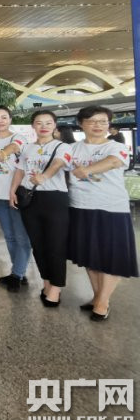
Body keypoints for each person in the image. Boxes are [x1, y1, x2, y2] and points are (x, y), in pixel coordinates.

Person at [67, 106, 138, 321]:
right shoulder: (72, 148)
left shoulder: (116, 147)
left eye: (103, 121)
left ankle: (103, 301)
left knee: (111, 256)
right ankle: (97, 296)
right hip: (80, 206)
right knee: (89, 256)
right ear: (81, 124)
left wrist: (87, 170)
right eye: (92, 121)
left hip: (111, 207)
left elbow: (114, 161)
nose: (98, 125)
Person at [10, 110, 72, 307]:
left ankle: (56, 288)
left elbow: (58, 163)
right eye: (39, 123)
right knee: (38, 244)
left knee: (56, 244)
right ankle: (46, 281)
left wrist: (44, 176)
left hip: (54, 199)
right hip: (30, 199)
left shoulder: (62, 147)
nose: (43, 126)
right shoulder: (27, 148)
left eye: (48, 122)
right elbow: (20, 170)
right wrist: (12, 191)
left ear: (54, 125)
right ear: (33, 126)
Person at [0, 106, 32, 292]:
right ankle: (19, 272)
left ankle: (17, 274)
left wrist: (4, 153)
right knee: (10, 236)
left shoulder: (18, 138)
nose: (0, 121)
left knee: (22, 237)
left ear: (10, 119)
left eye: (4, 117)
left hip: (17, 195)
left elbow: (15, 147)